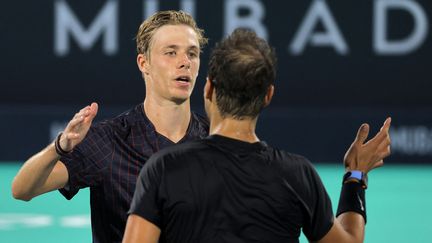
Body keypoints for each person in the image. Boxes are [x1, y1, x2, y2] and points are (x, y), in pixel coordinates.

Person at [122, 29, 391, 243]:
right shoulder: (297, 174)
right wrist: (355, 176)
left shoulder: (163, 168)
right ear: (268, 96)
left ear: (208, 89)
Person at [11, 10, 209, 243]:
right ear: (144, 63)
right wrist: (59, 147)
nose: (185, 62)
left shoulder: (215, 140)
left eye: (192, 54)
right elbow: (22, 189)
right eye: (171, 53)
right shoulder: (108, 141)